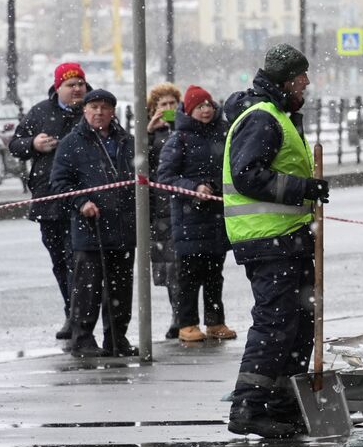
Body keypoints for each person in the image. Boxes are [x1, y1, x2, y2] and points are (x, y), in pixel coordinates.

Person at [222, 44, 329, 438]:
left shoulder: (279, 115)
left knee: (298, 324)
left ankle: (283, 403)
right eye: (301, 79)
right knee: (275, 324)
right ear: (286, 81)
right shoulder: (262, 119)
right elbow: (248, 174)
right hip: (268, 240)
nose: (306, 85)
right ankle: (248, 406)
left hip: (287, 239)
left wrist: (307, 191)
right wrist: (304, 188)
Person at [49, 88, 138, 358]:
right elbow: (60, 182)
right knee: (87, 289)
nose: (99, 112)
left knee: (121, 288)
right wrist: (81, 203)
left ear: (113, 111)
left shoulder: (127, 141)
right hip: (90, 229)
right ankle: (83, 339)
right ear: (85, 111)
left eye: (104, 107)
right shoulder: (71, 143)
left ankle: (116, 338)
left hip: (123, 227)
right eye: (93, 107)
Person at [9, 62, 89, 340]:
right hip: (48, 199)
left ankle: (79, 318)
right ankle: (72, 311)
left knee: (76, 261)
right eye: (71, 84)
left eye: (80, 83)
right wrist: (34, 143)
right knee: (59, 261)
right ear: (58, 88)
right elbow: (15, 144)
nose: (77, 89)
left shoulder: (92, 110)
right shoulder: (41, 111)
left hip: (80, 199)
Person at [158, 85, 234, 343]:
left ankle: (215, 322)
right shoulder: (178, 138)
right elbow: (166, 177)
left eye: (208, 105)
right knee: (188, 276)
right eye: (199, 106)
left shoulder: (223, 133)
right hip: (189, 218)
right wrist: (194, 188)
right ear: (189, 111)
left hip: (216, 217)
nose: (205, 110)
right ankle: (187, 323)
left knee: (215, 273)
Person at [145, 82, 182, 339]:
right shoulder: (148, 134)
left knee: (189, 264)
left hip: (184, 204)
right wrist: (149, 133)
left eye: (172, 104)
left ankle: (189, 316)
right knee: (171, 266)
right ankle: (178, 316)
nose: (168, 109)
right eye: (163, 105)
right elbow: (136, 165)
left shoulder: (184, 129)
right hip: (160, 207)